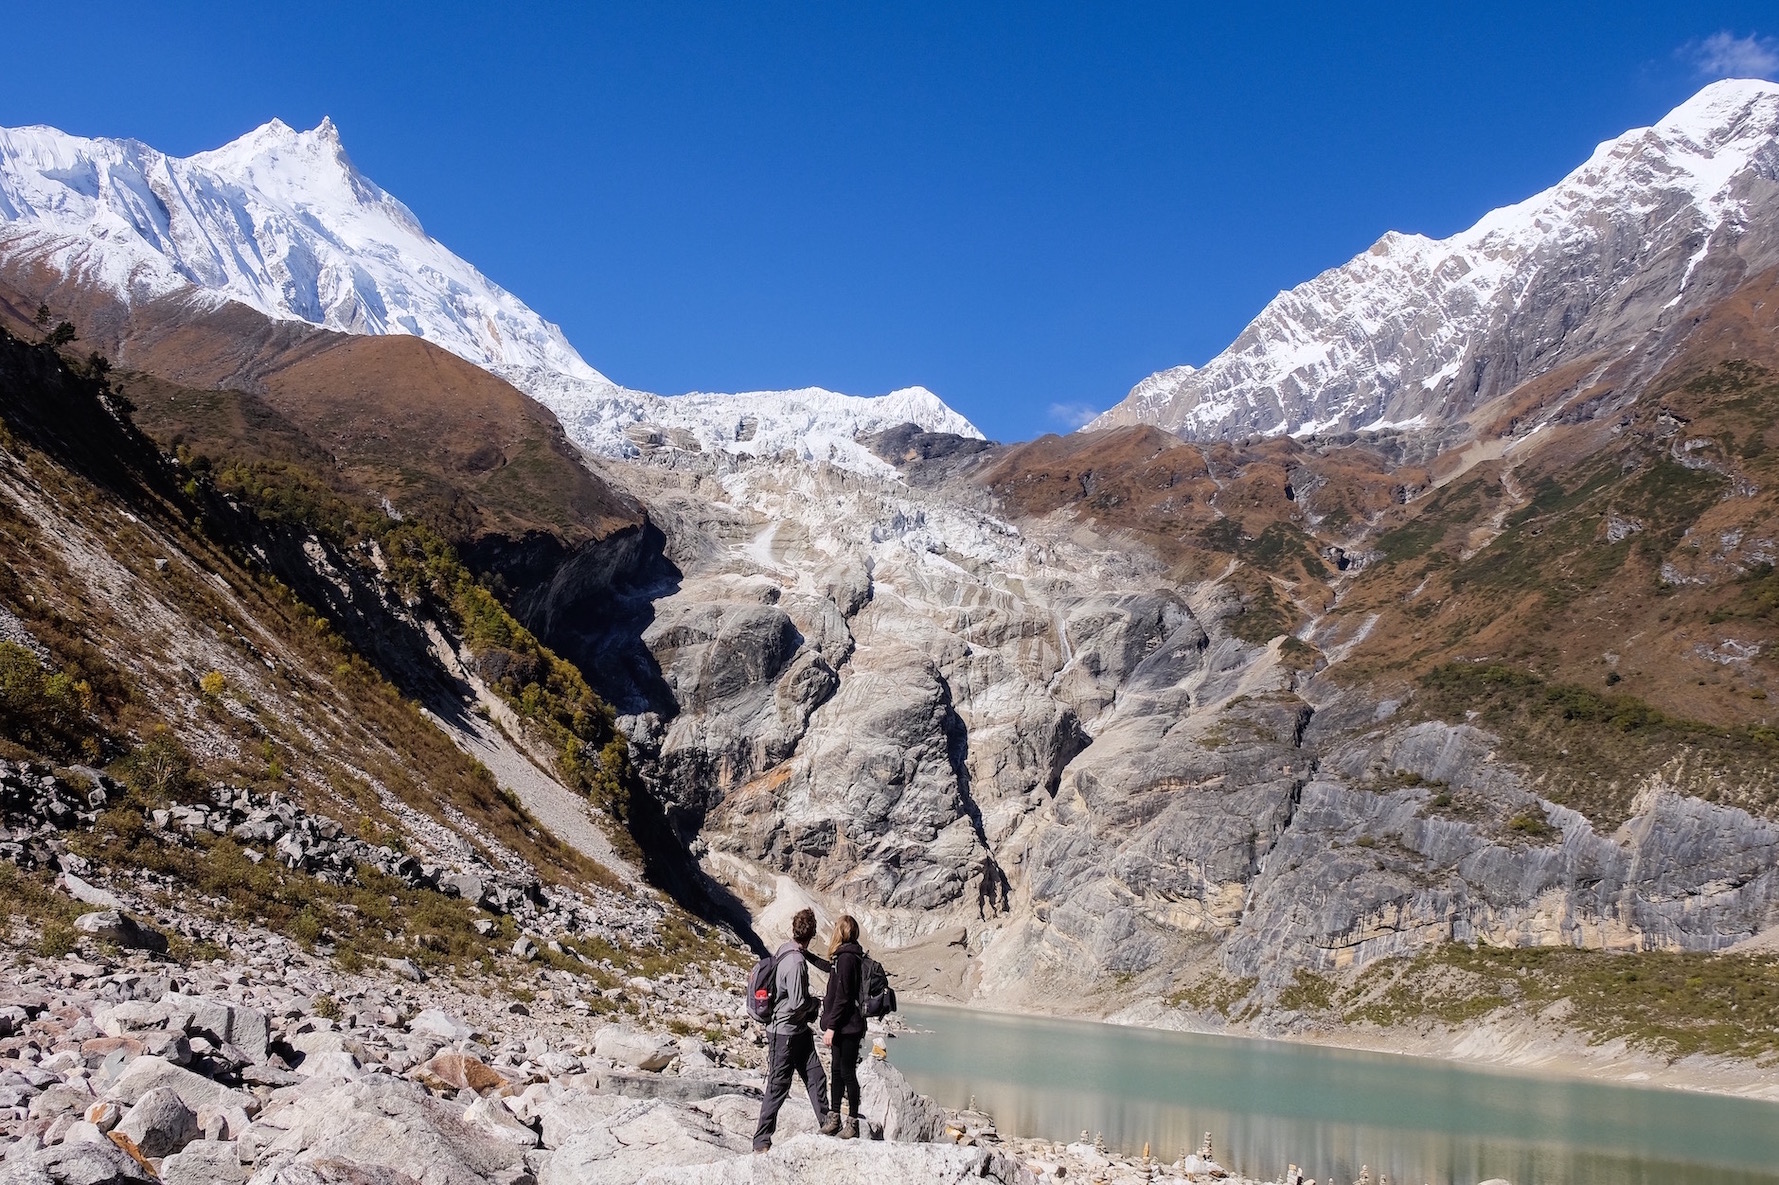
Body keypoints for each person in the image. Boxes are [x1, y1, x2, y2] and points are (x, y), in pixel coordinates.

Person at [752, 907, 830, 1153]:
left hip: (796, 1031)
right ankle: (761, 1140)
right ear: (812, 934)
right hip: (785, 1032)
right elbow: (797, 1003)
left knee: (816, 1077)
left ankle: (827, 1124)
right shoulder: (796, 962)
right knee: (778, 1086)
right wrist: (815, 1003)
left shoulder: (785, 950)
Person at [817, 914, 867, 1139]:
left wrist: (831, 1027)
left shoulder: (847, 958)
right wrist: (806, 955)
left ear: (841, 932)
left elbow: (844, 997)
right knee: (836, 1071)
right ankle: (834, 1117)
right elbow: (830, 969)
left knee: (847, 1073)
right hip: (845, 1026)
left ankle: (852, 1122)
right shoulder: (845, 956)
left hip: (848, 1027)